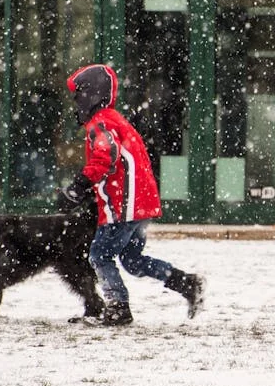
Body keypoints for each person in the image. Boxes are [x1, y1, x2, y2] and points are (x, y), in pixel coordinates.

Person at [57, 64, 205, 326]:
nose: (75, 99)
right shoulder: (115, 119)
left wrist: (79, 185)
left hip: (124, 202)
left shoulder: (100, 122)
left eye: (79, 93)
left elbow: (106, 156)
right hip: (140, 202)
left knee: (99, 255)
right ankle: (186, 282)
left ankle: (118, 306)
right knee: (133, 261)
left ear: (92, 93)